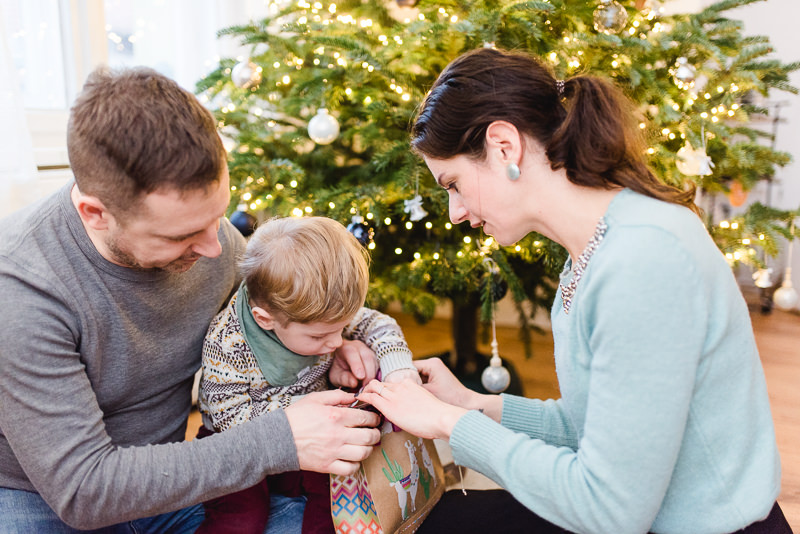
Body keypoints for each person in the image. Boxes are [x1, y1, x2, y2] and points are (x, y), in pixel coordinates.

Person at [359, 47, 792, 534]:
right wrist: (468, 403)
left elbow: (609, 512)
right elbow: (593, 425)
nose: (455, 212)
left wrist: (449, 425)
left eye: (454, 183)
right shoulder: (590, 252)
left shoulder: (641, 261)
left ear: (504, 146)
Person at [0, 66, 399, 532]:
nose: (216, 248)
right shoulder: (22, 291)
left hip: (177, 478)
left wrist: (343, 340)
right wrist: (280, 438)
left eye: (219, 216)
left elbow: (287, 311)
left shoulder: (217, 243)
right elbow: (85, 490)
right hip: (48, 496)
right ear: (97, 213)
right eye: (184, 235)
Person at [197, 216, 419, 533]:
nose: (335, 342)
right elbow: (229, 418)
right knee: (240, 518)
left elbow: (378, 324)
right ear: (265, 319)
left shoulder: (321, 310)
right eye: (318, 338)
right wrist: (303, 410)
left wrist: (399, 371)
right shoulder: (226, 343)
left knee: (339, 491)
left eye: (341, 329)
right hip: (239, 443)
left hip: (316, 434)